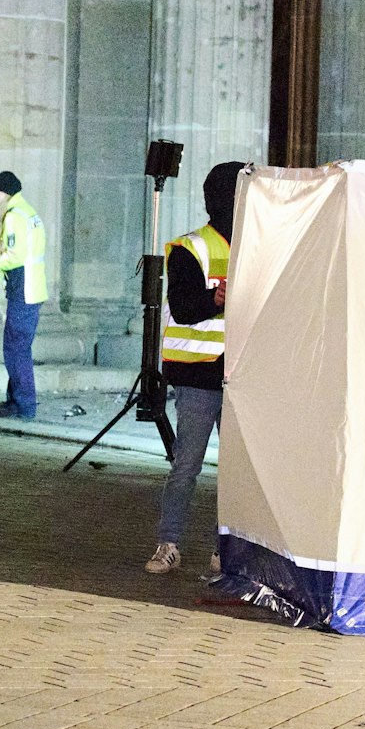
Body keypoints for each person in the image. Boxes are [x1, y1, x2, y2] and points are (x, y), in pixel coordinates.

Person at [145, 160, 247, 576]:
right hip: (199, 377)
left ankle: (226, 551)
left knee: (236, 473)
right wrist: (216, 301)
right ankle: (168, 544)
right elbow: (185, 309)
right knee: (187, 464)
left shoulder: (255, 246)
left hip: (242, 376)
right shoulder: (190, 248)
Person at [0, 170, 46, 419]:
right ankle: (16, 401)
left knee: (15, 349)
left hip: (22, 289)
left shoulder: (14, 217)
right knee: (19, 347)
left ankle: (23, 405)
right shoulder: (28, 212)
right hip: (32, 288)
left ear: (4, 192)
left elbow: (15, 256)